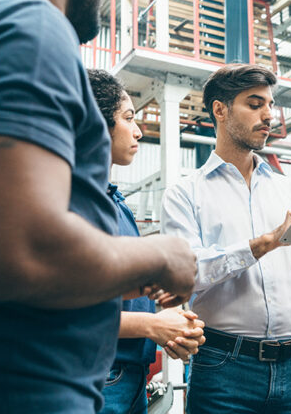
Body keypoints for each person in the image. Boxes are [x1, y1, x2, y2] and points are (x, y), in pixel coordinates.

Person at [0, 0, 197, 412]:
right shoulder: (32, 28)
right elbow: (23, 252)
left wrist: (133, 278)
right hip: (24, 387)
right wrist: (162, 255)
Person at [161, 63, 291, 413]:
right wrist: (264, 243)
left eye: (270, 105)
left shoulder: (290, 188)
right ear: (220, 110)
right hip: (224, 368)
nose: (268, 115)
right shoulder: (184, 194)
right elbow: (187, 275)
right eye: (255, 105)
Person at [88, 69, 206, 414]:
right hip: (100, 376)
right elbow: (69, 309)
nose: (138, 131)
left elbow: (107, 287)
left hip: (129, 376)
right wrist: (153, 325)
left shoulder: (115, 201)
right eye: (127, 118)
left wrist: (162, 309)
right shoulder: (75, 204)